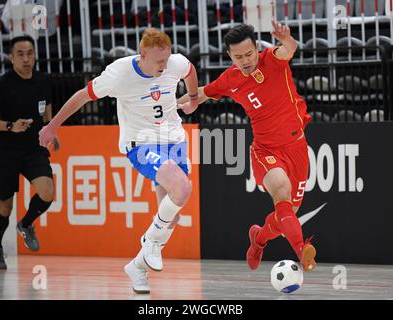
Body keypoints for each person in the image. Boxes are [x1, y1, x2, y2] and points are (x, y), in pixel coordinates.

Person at [39, 28, 199, 293]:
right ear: (143, 54)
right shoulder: (119, 74)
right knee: (182, 188)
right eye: (158, 61)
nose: (164, 65)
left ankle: (137, 266)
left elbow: (190, 69)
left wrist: (193, 99)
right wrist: (53, 126)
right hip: (141, 143)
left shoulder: (173, 63)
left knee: (170, 218)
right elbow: (82, 96)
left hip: (174, 141)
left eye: (166, 59)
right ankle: (150, 242)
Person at [178, 22, 316, 272]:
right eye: (238, 56)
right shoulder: (230, 79)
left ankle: (258, 239)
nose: (245, 60)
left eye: (249, 54)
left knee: (287, 215)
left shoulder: (272, 60)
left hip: (297, 148)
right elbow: (202, 93)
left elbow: (289, 49)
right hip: (266, 151)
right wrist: (172, 104)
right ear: (230, 56)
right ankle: (301, 250)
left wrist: (287, 39)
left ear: (256, 48)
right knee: (281, 192)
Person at [0, 35, 58, 270]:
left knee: (47, 192)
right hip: (5, 151)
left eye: (30, 53)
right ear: (11, 57)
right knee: (4, 207)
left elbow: (47, 107)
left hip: (33, 149)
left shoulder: (43, 81)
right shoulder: (2, 85)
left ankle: (26, 224)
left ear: (35, 55)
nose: (26, 59)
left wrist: (51, 128)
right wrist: (9, 126)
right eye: (20, 54)